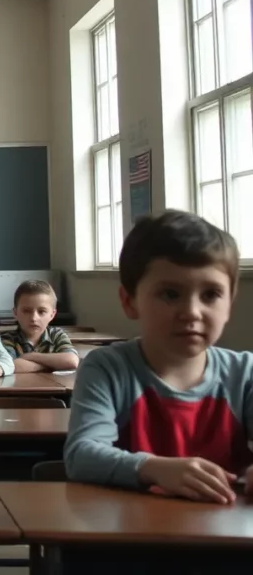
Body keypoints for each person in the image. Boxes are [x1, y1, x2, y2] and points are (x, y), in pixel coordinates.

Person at [65, 210, 253, 504]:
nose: (192, 312)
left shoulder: (245, 373)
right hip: (131, 541)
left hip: (229, 543)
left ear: (230, 303)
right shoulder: (107, 368)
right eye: (170, 294)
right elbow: (81, 454)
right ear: (130, 302)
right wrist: (154, 469)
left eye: (211, 294)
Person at [1, 280, 80, 373]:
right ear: (15, 313)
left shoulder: (56, 335)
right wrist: (54, 364)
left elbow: (71, 361)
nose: (34, 318)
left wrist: (32, 356)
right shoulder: (8, 338)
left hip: (52, 386)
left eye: (42, 311)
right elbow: (11, 366)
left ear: (52, 314)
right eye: (26, 311)